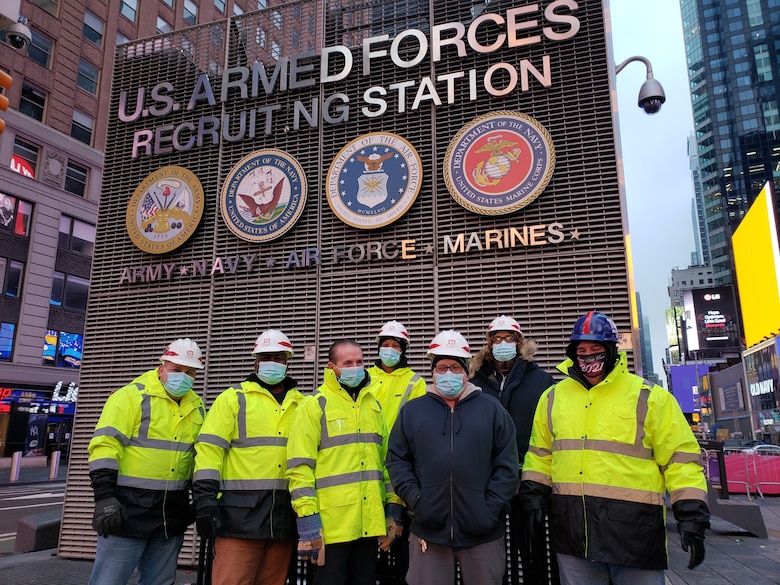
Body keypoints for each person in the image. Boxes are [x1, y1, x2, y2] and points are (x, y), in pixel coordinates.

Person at [520, 311, 710, 585]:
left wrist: (692, 515)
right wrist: (533, 498)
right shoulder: (553, 398)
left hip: (635, 536)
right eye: (581, 350)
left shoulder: (650, 397)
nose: (588, 357)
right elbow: (540, 455)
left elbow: (681, 460)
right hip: (574, 535)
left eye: (595, 349)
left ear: (611, 350)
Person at [387, 330, 519, 585]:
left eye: (455, 367)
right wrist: (416, 499)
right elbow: (397, 459)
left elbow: (507, 464)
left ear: (467, 370)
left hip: (483, 534)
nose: (448, 373)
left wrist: (489, 508)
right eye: (442, 367)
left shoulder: (491, 409)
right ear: (433, 371)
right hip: (428, 532)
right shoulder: (413, 411)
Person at [87, 338, 206, 585]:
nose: (184, 377)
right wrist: (104, 497)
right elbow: (105, 446)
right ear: (162, 366)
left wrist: (201, 499)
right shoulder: (129, 397)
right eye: (177, 370)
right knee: (108, 581)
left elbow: (198, 456)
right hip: (127, 511)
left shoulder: (197, 406)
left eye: (191, 372)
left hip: (170, 515)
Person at [286, 339, 403, 585]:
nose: (355, 367)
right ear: (332, 367)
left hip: (369, 525)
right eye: (347, 363)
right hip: (331, 529)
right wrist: (308, 520)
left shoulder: (373, 405)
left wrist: (393, 509)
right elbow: (299, 467)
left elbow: (388, 464)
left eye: (360, 362)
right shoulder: (314, 405)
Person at [193, 329, 305, 585]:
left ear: (288, 361)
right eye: (267, 357)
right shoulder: (233, 399)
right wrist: (205, 500)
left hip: (284, 518)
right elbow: (209, 451)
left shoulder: (303, 404)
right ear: (256, 361)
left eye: (279, 357)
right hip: (239, 521)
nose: (273, 363)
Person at [469, 315, 554, 583]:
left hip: (529, 479)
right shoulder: (475, 380)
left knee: (532, 548)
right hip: (487, 480)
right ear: (488, 344)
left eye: (508, 339)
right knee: (490, 551)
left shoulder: (540, 379)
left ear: (519, 343)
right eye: (496, 339)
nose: (502, 344)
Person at [367, 320, 427, 431]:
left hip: (396, 446)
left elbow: (417, 420)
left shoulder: (415, 382)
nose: (390, 349)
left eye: (395, 346)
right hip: (368, 446)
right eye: (385, 345)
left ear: (402, 350)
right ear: (379, 349)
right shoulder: (365, 376)